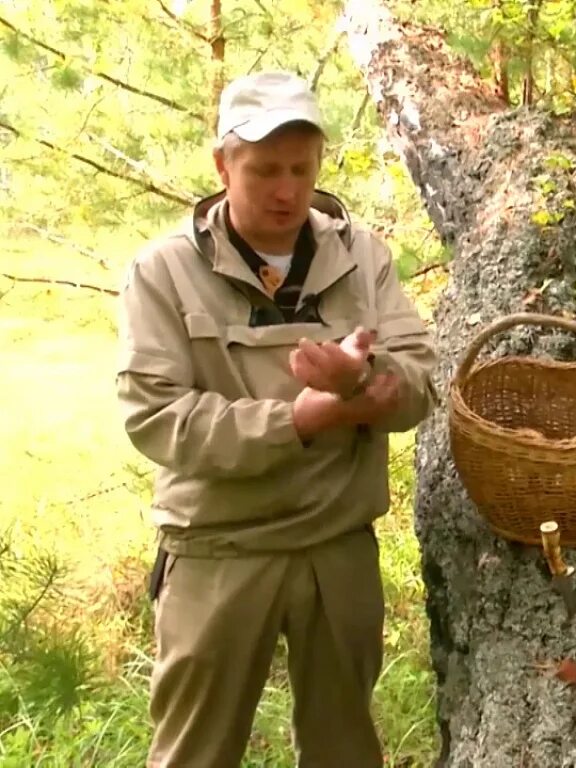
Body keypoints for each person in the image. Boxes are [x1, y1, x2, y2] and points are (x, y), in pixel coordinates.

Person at [115, 70, 438, 767]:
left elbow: (419, 382)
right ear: (223, 163)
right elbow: (156, 417)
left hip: (338, 545)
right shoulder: (163, 271)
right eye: (264, 169)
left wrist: (369, 380)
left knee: (345, 749)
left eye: (301, 167)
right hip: (218, 548)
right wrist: (299, 419)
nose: (287, 190)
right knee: (194, 753)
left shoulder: (362, 257)